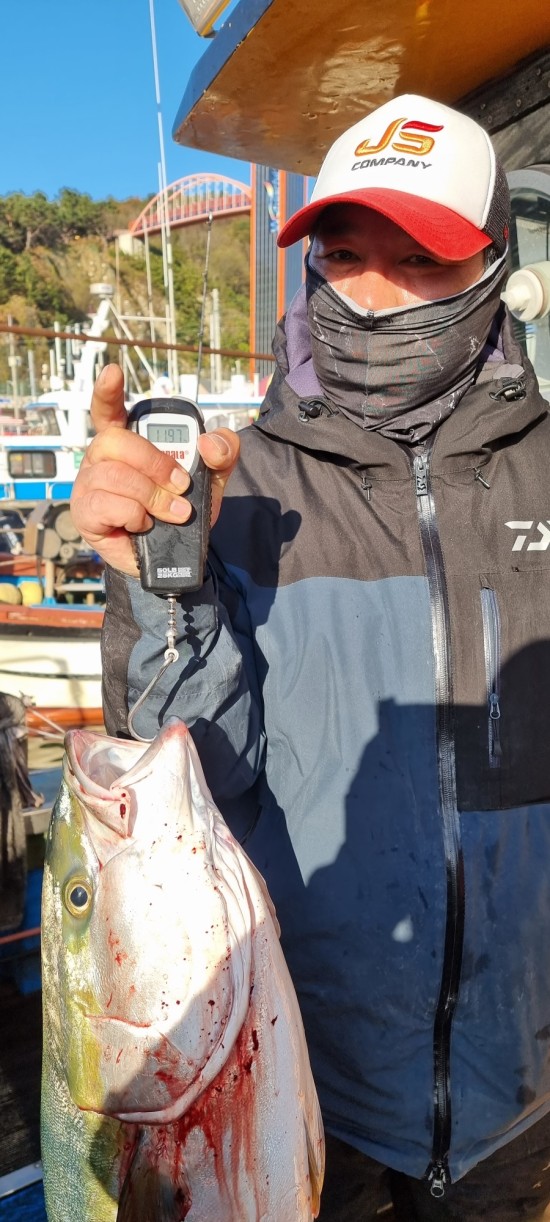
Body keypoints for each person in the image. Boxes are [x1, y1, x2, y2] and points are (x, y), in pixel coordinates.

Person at [71, 94, 550, 1221]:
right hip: (302, 1090)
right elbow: (195, 773)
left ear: (495, 265)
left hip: (527, 1095)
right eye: (342, 255)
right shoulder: (233, 485)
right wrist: (156, 584)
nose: (370, 294)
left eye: (420, 258)